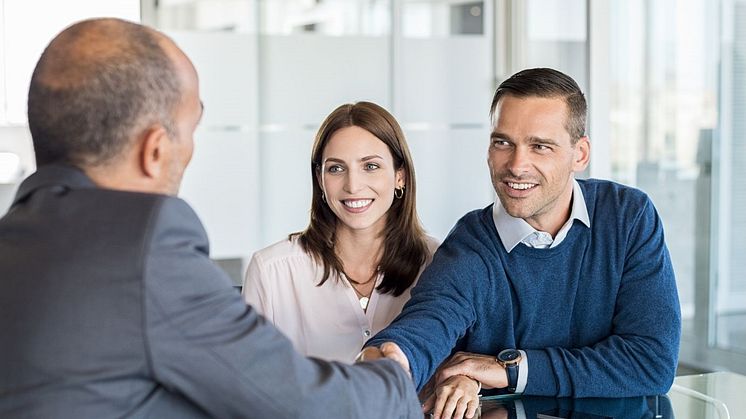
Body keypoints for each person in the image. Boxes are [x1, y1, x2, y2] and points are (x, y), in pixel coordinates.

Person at [0, 18, 421, 418]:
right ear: (156, 150)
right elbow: (302, 403)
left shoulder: (18, 242)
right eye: (190, 129)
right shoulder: (141, 253)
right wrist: (397, 376)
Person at [360, 68, 681, 419]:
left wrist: (511, 370)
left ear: (580, 154)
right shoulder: (471, 245)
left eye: (540, 146)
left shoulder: (627, 217)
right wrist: (392, 360)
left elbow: (651, 362)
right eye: (503, 143)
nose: (516, 165)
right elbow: (428, 323)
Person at [242, 102, 438, 363]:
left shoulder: (437, 262)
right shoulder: (271, 271)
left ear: (399, 175)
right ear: (320, 180)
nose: (353, 186)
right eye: (336, 168)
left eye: (370, 166)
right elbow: (249, 387)